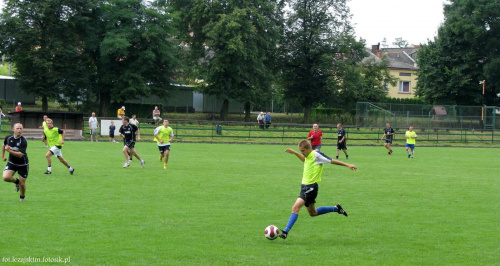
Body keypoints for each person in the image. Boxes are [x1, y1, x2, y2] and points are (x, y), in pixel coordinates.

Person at [279, 140, 357, 239]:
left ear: (308, 148)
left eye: (303, 151)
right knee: (313, 213)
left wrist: (348, 165)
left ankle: (285, 231)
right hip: (304, 187)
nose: (302, 153)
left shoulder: (316, 155)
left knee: (295, 208)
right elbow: (305, 160)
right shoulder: (308, 156)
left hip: (311, 188)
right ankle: (336, 208)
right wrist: (295, 153)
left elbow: (331, 160)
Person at [2, 123, 29, 202]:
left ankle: (22, 197)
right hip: (12, 162)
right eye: (17, 128)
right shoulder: (8, 137)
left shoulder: (23, 140)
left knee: (22, 184)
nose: (19, 130)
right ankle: (17, 182)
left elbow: (20, 155)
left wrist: (9, 150)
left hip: (23, 164)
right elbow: (4, 146)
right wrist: (3, 156)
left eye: (21, 128)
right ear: (13, 129)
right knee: (5, 177)